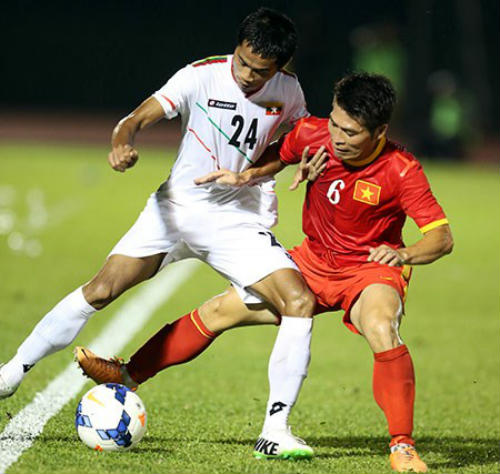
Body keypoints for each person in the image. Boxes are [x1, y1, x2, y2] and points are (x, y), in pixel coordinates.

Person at [76, 72, 453, 472]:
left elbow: (441, 237)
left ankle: (402, 445)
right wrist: (247, 176)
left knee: (380, 327)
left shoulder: (401, 170)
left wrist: (405, 254)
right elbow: (279, 154)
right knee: (218, 311)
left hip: (369, 270)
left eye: (351, 132)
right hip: (311, 262)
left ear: (380, 131)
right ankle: (128, 375)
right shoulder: (313, 134)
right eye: (335, 123)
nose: (338, 138)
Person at [0, 7, 318, 458]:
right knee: (102, 289)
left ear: (279, 68)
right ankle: (12, 372)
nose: (248, 76)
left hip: (236, 220)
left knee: (299, 301)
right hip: (176, 211)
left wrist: (288, 163)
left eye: (260, 71)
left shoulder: (288, 90)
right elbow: (133, 120)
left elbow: (300, 137)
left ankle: (275, 430)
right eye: (243, 62)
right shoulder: (199, 76)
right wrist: (122, 144)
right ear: (237, 47)